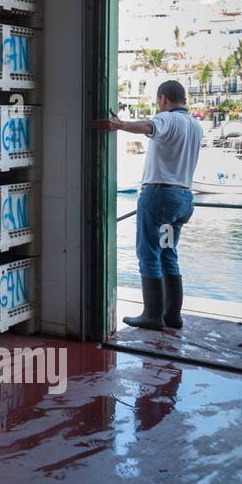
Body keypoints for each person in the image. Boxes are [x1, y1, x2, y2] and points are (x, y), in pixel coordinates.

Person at [93, 79, 203, 331]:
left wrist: (119, 125)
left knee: (149, 254)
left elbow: (150, 126)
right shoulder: (195, 125)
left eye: (158, 100)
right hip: (184, 198)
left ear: (163, 99)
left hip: (160, 194)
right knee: (168, 253)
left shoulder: (168, 119)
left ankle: (152, 315)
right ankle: (173, 316)